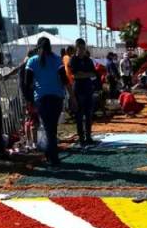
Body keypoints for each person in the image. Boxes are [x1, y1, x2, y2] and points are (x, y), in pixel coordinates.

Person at [24, 36, 74, 167]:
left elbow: (27, 83)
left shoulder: (32, 61)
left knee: (48, 127)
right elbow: (64, 80)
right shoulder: (57, 60)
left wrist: (29, 100)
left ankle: (51, 155)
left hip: (41, 98)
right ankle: (52, 155)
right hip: (57, 97)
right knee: (52, 128)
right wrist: (72, 97)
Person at [69, 38, 99, 147]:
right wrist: (86, 74)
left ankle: (88, 136)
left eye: (83, 48)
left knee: (89, 115)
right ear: (76, 48)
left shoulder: (88, 60)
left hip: (88, 89)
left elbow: (93, 74)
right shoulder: (73, 60)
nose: (82, 50)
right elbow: (75, 75)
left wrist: (83, 74)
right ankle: (81, 138)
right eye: (80, 48)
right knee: (79, 115)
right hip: (78, 90)